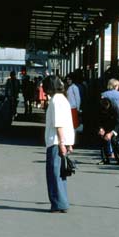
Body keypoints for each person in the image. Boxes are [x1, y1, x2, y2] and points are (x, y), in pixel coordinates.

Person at [43, 75, 71, 213]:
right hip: (61, 141)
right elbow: (68, 123)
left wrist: (61, 142)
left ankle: (58, 204)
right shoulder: (64, 99)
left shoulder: (55, 101)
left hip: (55, 142)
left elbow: (59, 123)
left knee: (53, 174)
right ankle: (62, 202)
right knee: (61, 174)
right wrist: (68, 143)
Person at [99, 78, 119, 164]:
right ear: (115, 86)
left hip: (116, 120)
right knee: (117, 140)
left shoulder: (103, 94)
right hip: (113, 117)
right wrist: (100, 128)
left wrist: (110, 132)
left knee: (106, 137)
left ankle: (106, 157)